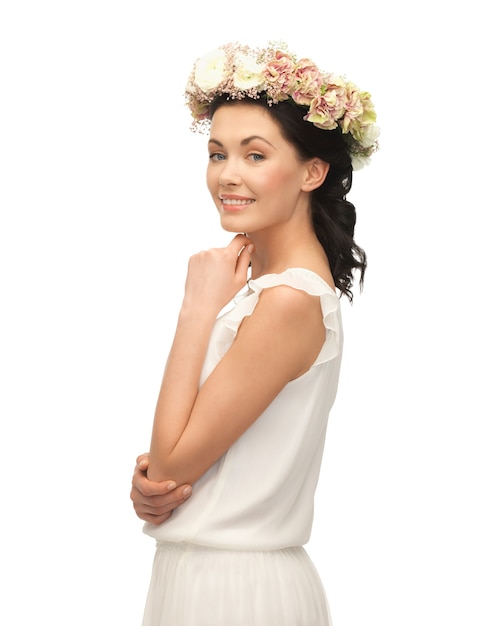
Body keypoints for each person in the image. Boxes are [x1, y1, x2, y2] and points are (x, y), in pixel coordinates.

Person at [130, 41, 379, 625]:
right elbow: (186, 460)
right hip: (207, 574)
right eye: (217, 154)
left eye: (255, 155)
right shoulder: (267, 289)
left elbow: (174, 466)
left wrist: (195, 308)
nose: (228, 175)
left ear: (312, 171)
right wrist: (151, 484)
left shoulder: (289, 299)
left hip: (234, 592)